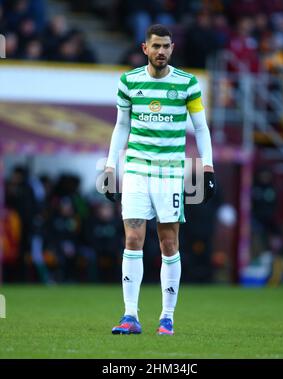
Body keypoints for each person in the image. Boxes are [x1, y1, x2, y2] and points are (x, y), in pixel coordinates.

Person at [101, 24, 216, 335]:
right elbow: (121, 126)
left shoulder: (188, 84)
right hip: (137, 169)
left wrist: (207, 167)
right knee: (133, 239)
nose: (161, 51)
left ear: (172, 48)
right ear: (145, 49)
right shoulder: (129, 82)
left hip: (169, 172)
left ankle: (167, 317)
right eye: (156, 46)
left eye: (166, 46)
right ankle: (130, 316)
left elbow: (201, 128)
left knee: (168, 243)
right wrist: (111, 167)